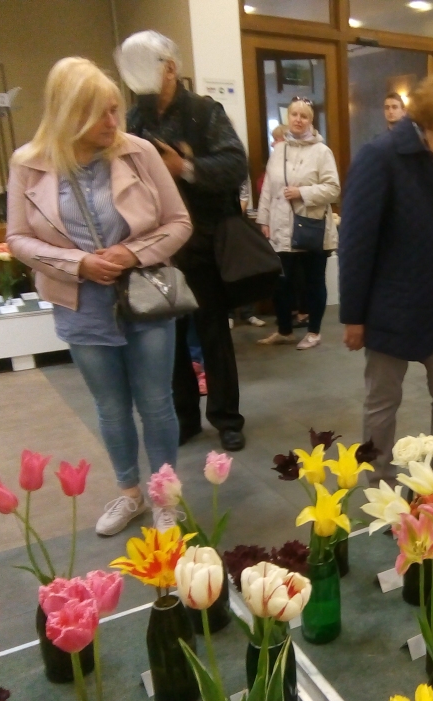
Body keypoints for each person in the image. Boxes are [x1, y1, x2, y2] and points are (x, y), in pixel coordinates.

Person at [7, 57, 193, 535]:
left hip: (146, 297)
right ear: (67, 113)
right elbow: (18, 239)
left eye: (115, 110)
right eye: (99, 114)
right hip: (81, 304)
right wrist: (79, 264)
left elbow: (179, 223)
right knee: (110, 407)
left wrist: (131, 254)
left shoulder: (139, 153)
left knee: (156, 402)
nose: (113, 122)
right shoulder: (29, 163)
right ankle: (129, 493)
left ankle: (164, 494)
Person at [339, 68, 433, 489]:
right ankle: (380, 489)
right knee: (383, 402)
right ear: (430, 117)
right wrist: (354, 315)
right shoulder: (381, 157)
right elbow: (356, 240)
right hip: (391, 304)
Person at [116, 31, 250, 452]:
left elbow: (235, 164)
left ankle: (227, 418)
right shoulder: (135, 117)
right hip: (155, 245)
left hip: (203, 240)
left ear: (170, 68)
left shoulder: (204, 112)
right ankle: (186, 417)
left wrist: (185, 167)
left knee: (213, 332)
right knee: (167, 333)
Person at [255, 97, 340, 350]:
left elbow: (333, 189)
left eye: (304, 116)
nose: (298, 120)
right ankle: (284, 330)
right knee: (280, 282)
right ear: (288, 118)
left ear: (311, 121)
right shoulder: (279, 150)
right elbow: (269, 188)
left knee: (313, 282)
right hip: (281, 228)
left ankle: (314, 331)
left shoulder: (322, 152)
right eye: (294, 115)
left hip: (311, 228)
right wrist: (264, 220)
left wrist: (302, 193)